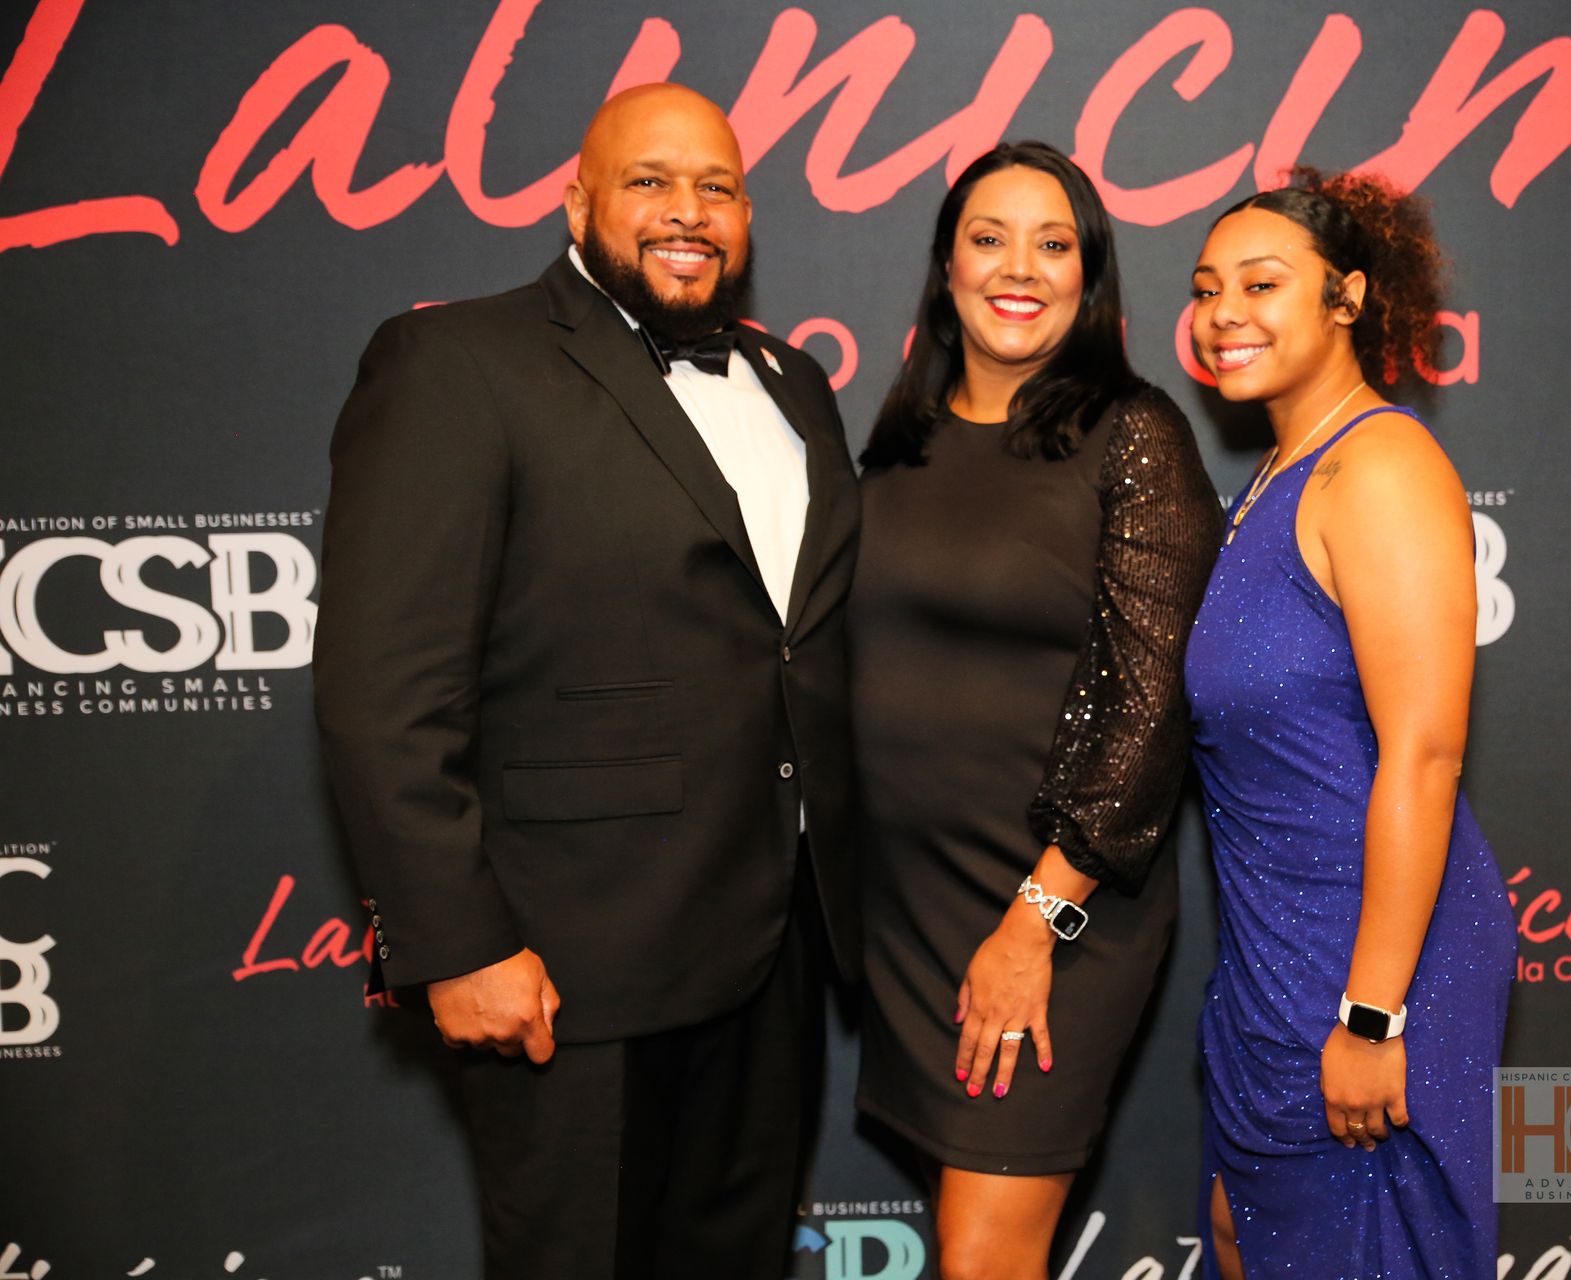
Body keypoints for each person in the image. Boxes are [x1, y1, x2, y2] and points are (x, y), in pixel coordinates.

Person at [312, 84, 861, 1280]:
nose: (688, 211)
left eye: (717, 187)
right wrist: (459, 941)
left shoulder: (793, 383)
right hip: (570, 963)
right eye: (648, 181)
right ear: (575, 203)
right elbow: (383, 689)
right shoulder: (458, 362)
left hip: (773, 951)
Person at [850, 141, 1221, 1280]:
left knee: (981, 1255)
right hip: (909, 911)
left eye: (1053, 244)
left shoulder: (1135, 434)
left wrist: (1036, 920)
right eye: (990, 238)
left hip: (1053, 908)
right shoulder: (898, 442)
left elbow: (1153, 703)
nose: (1020, 267)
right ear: (946, 266)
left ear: (1088, 275)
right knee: (969, 1237)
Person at [1183, 169, 1515, 1279]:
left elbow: (1424, 752)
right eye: (1206, 288)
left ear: (1348, 297)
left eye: (1261, 283)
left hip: (1370, 957)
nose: (1224, 312)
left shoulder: (1381, 465)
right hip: (1273, 949)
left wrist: (1373, 1013)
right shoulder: (1277, 477)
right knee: (1250, 1235)